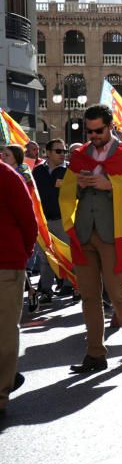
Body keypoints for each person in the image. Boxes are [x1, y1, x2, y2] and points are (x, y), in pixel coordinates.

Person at [59, 104, 122, 373]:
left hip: (113, 234)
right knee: (88, 296)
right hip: (84, 233)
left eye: (98, 130)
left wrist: (110, 185)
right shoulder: (80, 156)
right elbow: (66, 191)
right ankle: (95, 354)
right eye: (89, 131)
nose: (93, 136)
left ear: (111, 126)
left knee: (118, 292)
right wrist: (79, 184)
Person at [0, 158, 37, 415]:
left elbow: (28, 222)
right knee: (4, 330)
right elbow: (28, 223)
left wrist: (19, 256)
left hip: (7, 263)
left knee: (4, 332)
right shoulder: (8, 175)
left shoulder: (7, 176)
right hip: (9, 262)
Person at [31, 139, 69, 302]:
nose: (62, 154)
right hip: (43, 222)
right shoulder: (38, 171)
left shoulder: (69, 170)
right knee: (46, 258)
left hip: (63, 221)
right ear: (48, 152)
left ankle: (70, 285)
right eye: (58, 151)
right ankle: (46, 290)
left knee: (66, 255)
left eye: (64, 151)